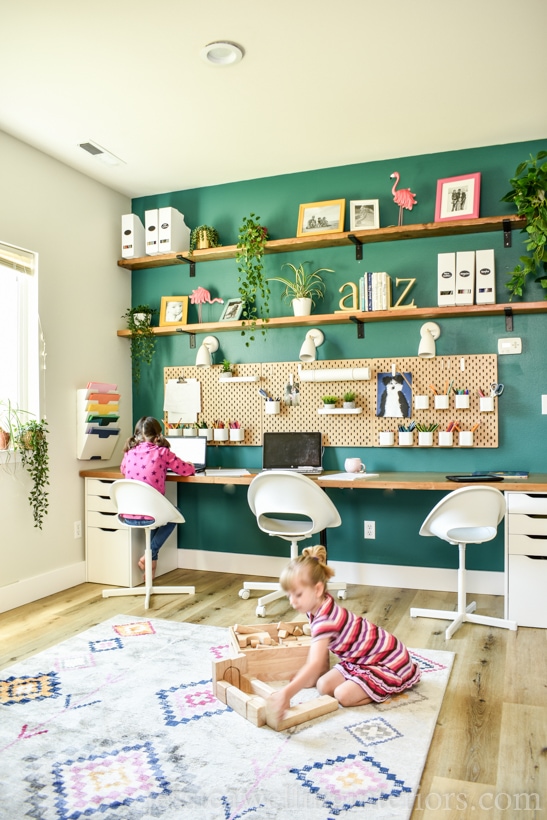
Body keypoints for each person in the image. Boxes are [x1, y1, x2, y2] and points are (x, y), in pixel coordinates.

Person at [267, 545, 421, 721]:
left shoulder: (325, 620)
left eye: (298, 594)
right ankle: (360, 679)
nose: (292, 602)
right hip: (360, 659)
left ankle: (385, 688)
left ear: (317, 590)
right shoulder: (317, 605)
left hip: (388, 660)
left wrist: (287, 693)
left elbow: (314, 663)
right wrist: (306, 679)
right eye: (289, 596)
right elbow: (319, 652)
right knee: (323, 686)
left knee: (343, 696)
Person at [120, 416, 195, 578]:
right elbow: (187, 470)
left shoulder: (129, 453)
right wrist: (192, 464)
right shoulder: (162, 453)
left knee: (158, 514)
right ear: (158, 435)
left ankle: (151, 562)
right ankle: (150, 554)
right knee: (175, 515)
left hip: (128, 515)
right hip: (151, 514)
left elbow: (123, 470)